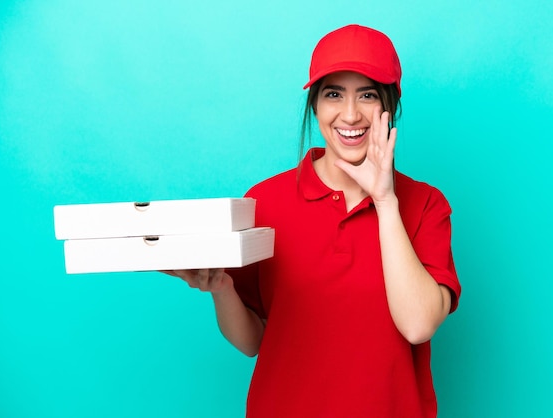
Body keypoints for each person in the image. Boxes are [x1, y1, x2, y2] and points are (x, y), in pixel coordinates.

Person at [163, 24, 461, 418]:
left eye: (368, 95)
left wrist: (385, 200)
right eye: (333, 94)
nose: (350, 114)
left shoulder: (425, 204)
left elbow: (418, 325)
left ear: (390, 106)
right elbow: (253, 340)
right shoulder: (265, 201)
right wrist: (221, 288)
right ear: (315, 106)